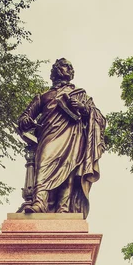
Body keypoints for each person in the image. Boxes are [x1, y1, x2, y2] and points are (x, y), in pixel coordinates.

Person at [18, 58, 105, 218]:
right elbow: (24, 117)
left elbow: (98, 118)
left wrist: (84, 108)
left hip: (73, 137)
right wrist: (26, 121)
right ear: (54, 72)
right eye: (64, 66)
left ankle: (63, 209)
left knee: (68, 171)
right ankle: (39, 203)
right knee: (43, 166)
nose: (67, 69)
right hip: (48, 136)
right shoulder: (43, 96)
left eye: (69, 67)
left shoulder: (80, 94)